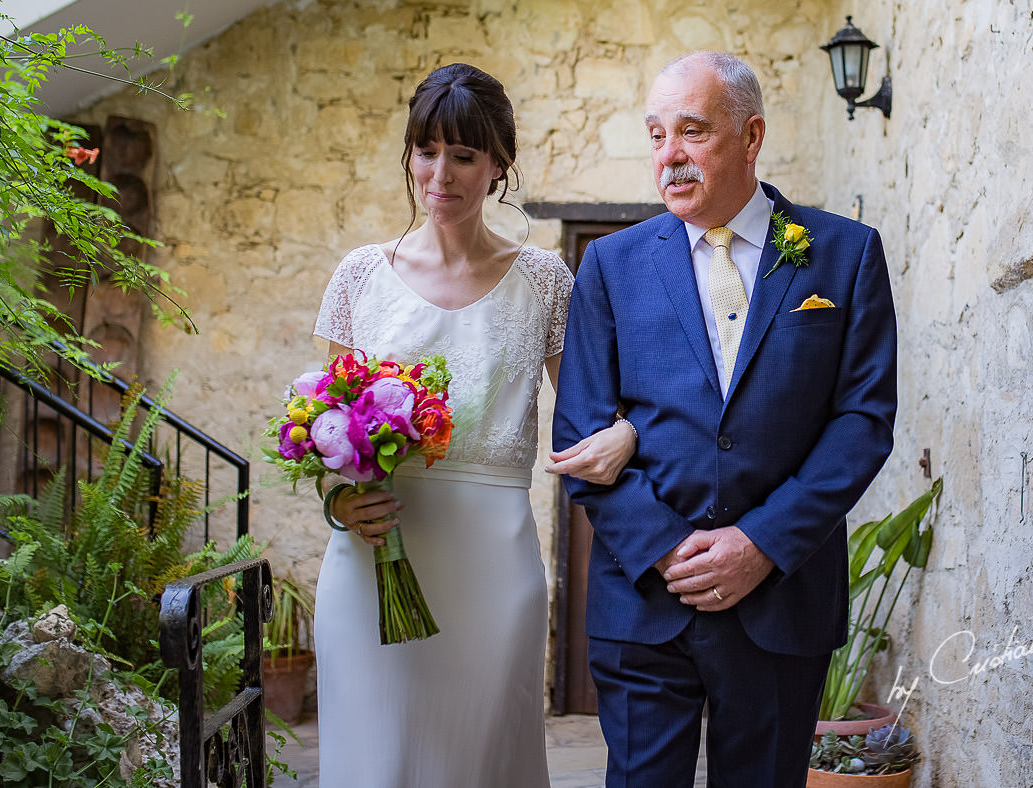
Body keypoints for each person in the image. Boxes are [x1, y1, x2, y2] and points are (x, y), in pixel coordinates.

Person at [552, 51, 898, 788]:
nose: (668, 156)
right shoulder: (609, 267)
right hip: (645, 598)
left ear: (751, 135)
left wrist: (761, 543)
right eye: (655, 135)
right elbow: (579, 435)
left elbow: (862, 420)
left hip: (781, 597)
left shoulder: (844, 254)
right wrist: (669, 550)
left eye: (691, 131)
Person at [311, 62, 636, 788]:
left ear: (498, 167)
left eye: (463, 155)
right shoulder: (359, 276)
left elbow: (592, 415)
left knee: (483, 761)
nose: (441, 174)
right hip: (373, 562)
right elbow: (326, 437)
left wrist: (628, 432)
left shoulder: (547, 280)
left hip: (494, 568)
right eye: (427, 151)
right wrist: (339, 502)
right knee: (375, 761)